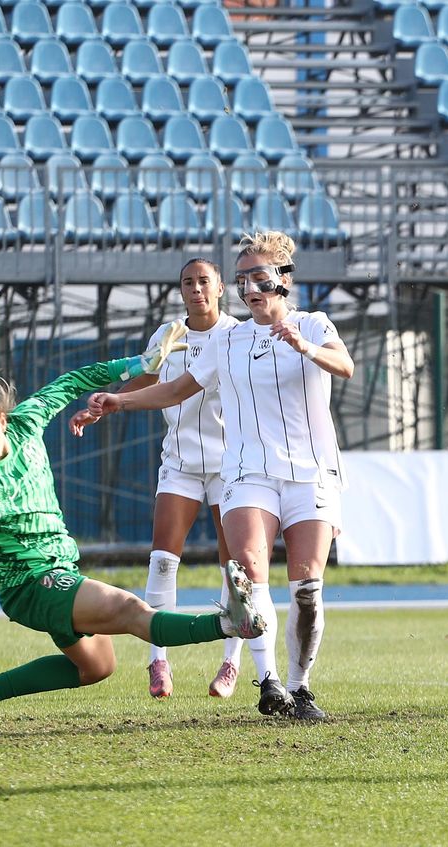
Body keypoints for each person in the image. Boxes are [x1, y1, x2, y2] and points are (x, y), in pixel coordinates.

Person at [0, 350, 267, 739]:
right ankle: (229, 623)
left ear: (2, 421)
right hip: (30, 586)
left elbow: (74, 381)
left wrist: (138, 364)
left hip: (59, 570)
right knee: (132, 611)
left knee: (97, 668)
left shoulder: (26, 422)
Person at [87, 231, 354, 722]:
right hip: (247, 473)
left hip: (311, 475)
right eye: (242, 278)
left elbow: (345, 365)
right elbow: (176, 390)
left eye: (259, 276)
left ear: (282, 280)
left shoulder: (314, 324)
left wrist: (305, 347)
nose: (249, 286)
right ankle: (269, 682)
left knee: (307, 589)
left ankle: (301, 688)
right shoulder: (229, 339)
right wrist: (118, 401)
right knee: (250, 573)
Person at [69, 257, 245, 700]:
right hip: (180, 465)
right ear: (181, 290)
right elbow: (148, 378)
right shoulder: (169, 334)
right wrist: (102, 406)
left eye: (204, 281)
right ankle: (158, 661)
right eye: (188, 282)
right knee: (163, 560)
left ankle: (231, 660)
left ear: (220, 287)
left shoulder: (238, 334)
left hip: (231, 466)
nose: (197, 289)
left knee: (236, 567)